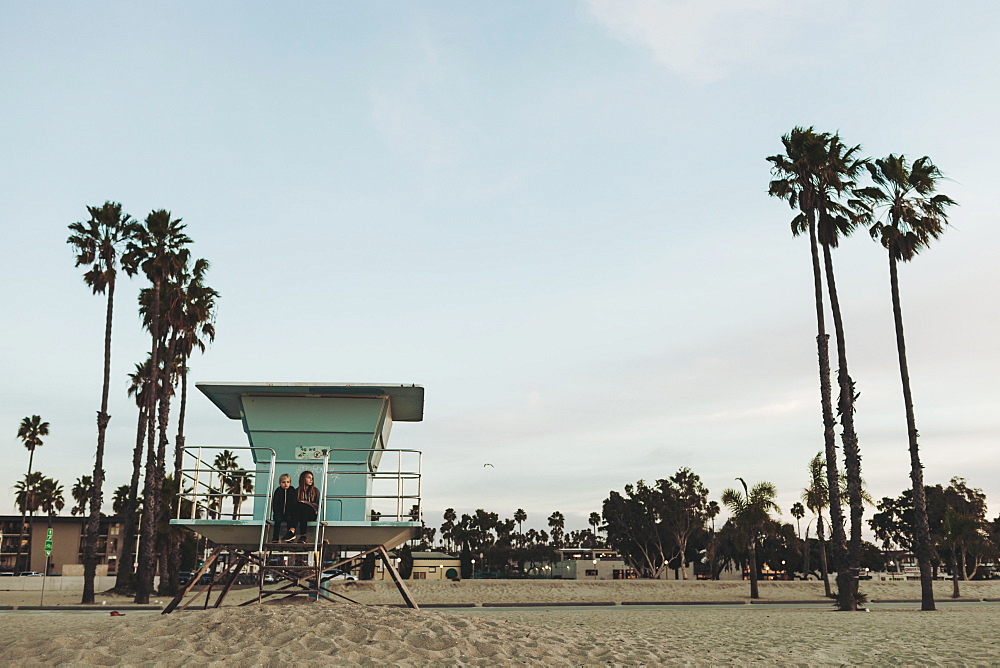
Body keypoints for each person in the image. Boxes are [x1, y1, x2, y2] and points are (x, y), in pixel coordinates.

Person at [270, 473, 297, 542]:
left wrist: (293, 512)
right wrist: (276, 512)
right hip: (279, 513)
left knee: (289, 519)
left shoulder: (292, 490)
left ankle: (290, 536)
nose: (286, 484)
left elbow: (294, 502)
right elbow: (275, 503)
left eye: (288, 482)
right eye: (283, 482)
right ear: (280, 483)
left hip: (289, 512)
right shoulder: (278, 491)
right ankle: (275, 537)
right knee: (277, 521)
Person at [295, 470, 320, 543]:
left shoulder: (315, 491)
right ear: (303, 479)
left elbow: (317, 505)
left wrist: (305, 502)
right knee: (301, 507)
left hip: (311, 514)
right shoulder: (297, 491)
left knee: (304, 507)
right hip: (299, 514)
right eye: (309, 477)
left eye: (312, 478)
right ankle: (302, 536)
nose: (311, 480)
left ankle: (300, 534)